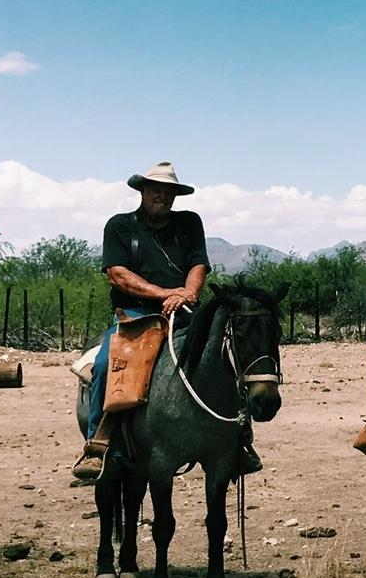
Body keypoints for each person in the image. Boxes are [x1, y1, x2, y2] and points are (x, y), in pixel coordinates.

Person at [72, 160, 259, 483]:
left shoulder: (189, 223)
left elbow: (199, 264)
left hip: (184, 309)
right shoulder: (120, 226)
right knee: (105, 364)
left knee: (227, 354)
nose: (163, 196)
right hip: (136, 315)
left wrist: (186, 294)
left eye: (169, 192)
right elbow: (117, 275)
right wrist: (163, 294)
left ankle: (239, 438)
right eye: (156, 190)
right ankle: (99, 443)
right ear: (143, 191)